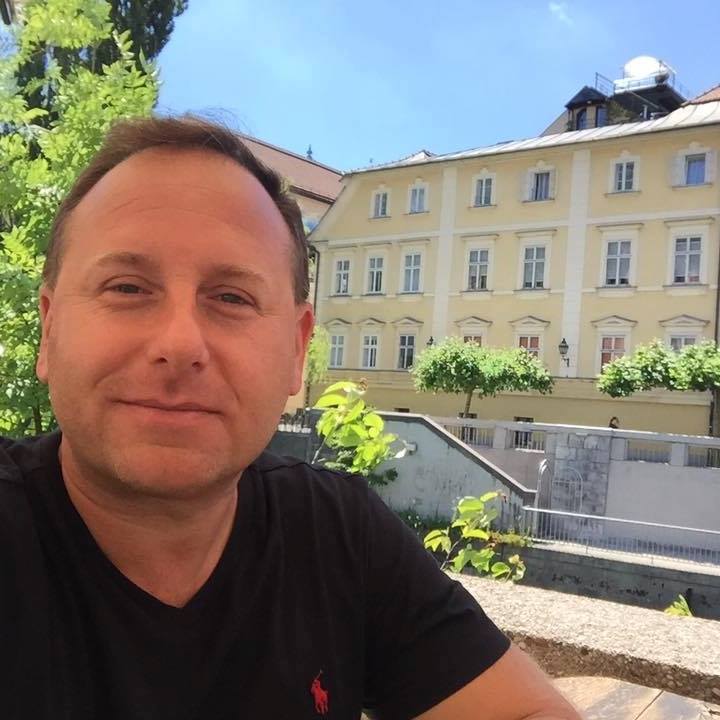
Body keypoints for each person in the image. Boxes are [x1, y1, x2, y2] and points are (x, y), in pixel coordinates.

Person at [0, 116, 580, 720]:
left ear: (297, 352)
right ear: (49, 328)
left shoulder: (337, 534)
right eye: (126, 288)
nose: (179, 343)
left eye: (232, 297)